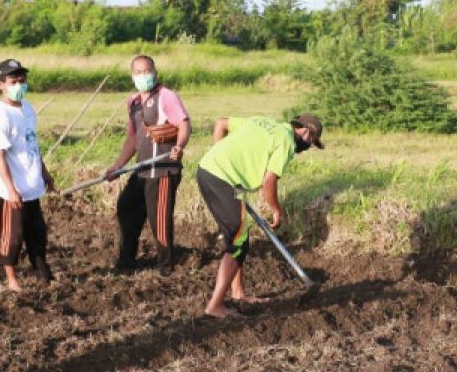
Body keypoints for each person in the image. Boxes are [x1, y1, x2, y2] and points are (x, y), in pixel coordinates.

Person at [196, 112, 323, 318]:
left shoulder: (262, 121)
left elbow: (221, 124)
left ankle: (238, 293)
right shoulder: (286, 142)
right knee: (238, 244)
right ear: (305, 131)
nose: (308, 147)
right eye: (312, 142)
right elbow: (269, 182)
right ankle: (215, 305)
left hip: (208, 170)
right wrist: (276, 210)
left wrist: (220, 156)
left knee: (239, 234)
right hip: (223, 179)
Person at [104, 55, 191, 273]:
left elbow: (184, 124)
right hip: (142, 169)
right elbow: (132, 138)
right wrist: (118, 166)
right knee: (126, 207)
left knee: (158, 218)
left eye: (147, 71)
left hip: (162, 169)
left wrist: (179, 147)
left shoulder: (166, 96)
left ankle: (165, 265)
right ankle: (127, 260)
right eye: (139, 72)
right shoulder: (133, 102)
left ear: (155, 71)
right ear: (132, 75)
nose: (144, 76)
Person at [0, 58, 55, 292]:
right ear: (2, 85)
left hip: (32, 184)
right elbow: (0, 156)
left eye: (22, 80)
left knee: (37, 232)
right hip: (12, 190)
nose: (19, 85)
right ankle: (12, 280)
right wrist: (11, 189)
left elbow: (33, 146)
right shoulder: (0, 115)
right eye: (13, 81)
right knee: (12, 236)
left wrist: (45, 174)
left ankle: (42, 272)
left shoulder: (27, 108)